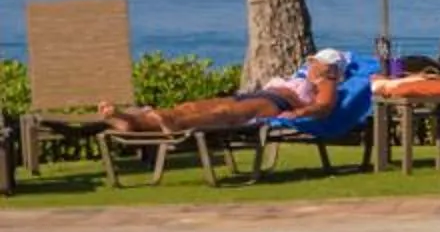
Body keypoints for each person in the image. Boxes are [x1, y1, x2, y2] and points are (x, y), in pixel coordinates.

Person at [99, 49, 344, 135]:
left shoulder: (328, 80)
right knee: (192, 106)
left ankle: (172, 122)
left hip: (275, 102)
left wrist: (299, 112)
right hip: (255, 95)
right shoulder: (305, 75)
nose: (313, 65)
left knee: (225, 113)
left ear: (331, 68)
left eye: (318, 63)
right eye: (312, 61)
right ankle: (132, 121)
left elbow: (324, 107)